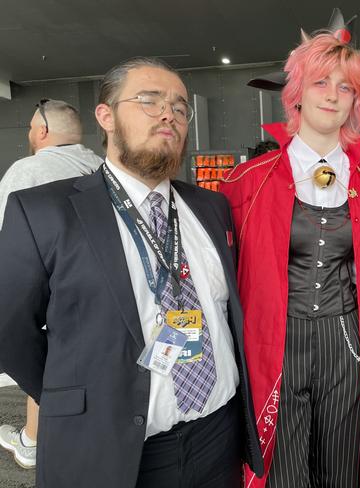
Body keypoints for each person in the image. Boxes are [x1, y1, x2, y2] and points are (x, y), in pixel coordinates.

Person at [0, 57, 262, 488]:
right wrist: (75, 395)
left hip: (219, 437)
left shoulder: (210, 208)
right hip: (114, 451)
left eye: (180, 108)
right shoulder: (45, 211)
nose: (168, 115)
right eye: (149, 100)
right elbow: (11, 331)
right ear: (105, 116)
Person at [220, 32, 360, 488]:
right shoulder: (246, 184)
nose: (333, 95)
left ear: (355, 101)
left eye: (345, 87)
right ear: (296, 92)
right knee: (281, 468)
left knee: (341, 465)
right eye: (321, 82)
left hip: (346, 342)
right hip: (274, 341)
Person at [0, 98, 102, 470]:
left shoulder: (27, 170)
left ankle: (33, 441)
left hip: (48, 291)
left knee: (45, 363)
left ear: (41, 131)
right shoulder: (102, 167)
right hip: (104, 298)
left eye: (30, 128)